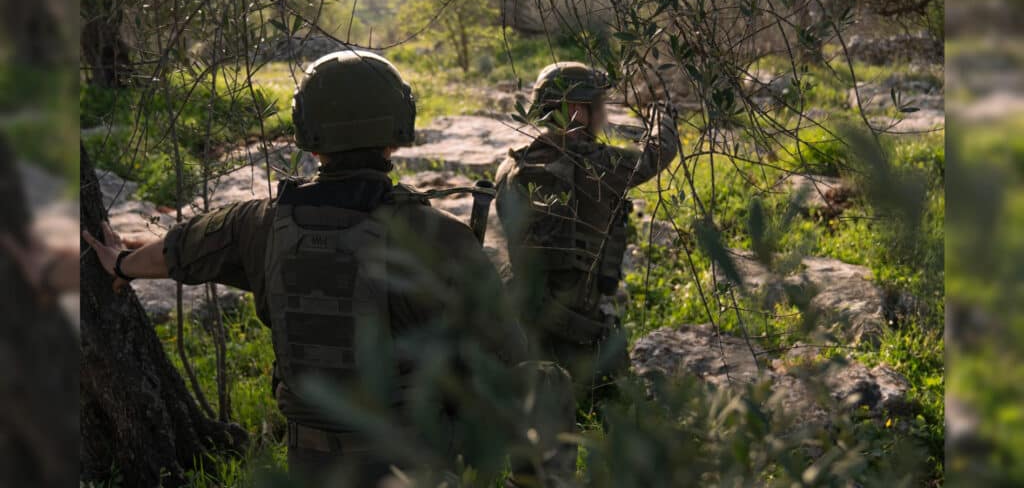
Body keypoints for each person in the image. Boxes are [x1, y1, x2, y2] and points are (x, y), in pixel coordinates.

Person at [83, 50, 542, 487]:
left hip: (310, 467)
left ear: (310, 135)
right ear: (395, 133)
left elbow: (178, 251)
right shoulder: (438, 235)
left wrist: (121, 263)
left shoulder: (257, 224)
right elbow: (509, 362)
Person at [495, 61, 679, 404]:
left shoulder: (509, 167)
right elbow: (655, 155)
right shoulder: (597, 165)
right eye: (597, 105)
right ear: (576, 111)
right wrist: (665, 120)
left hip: (525, 328)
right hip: (581, 336)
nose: (602, 114)